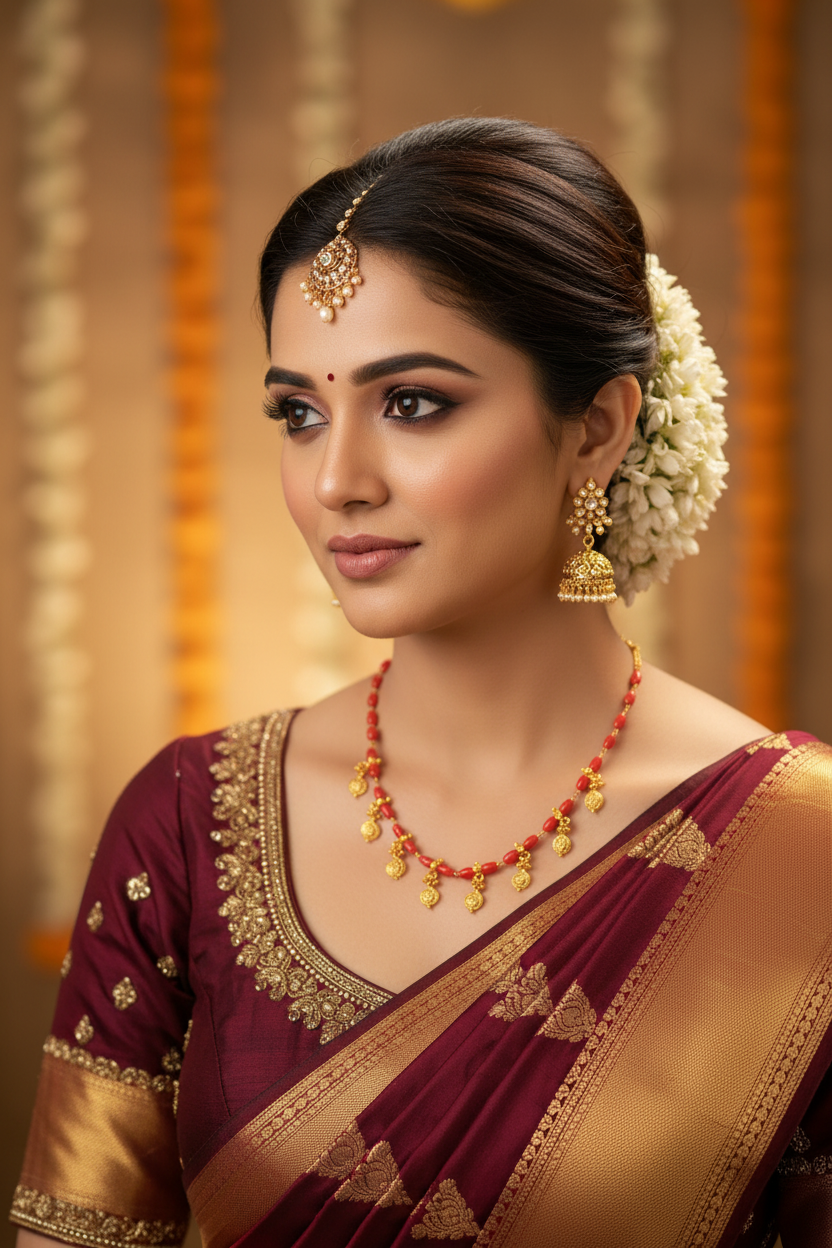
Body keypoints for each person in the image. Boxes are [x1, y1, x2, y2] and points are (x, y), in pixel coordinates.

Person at [10, 118, 832, 1248]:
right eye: (297, 412)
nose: (335, 479)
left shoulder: (802, 851)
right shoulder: (189, 823)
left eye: (411, 403)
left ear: (595, 427)